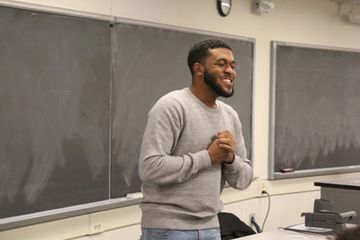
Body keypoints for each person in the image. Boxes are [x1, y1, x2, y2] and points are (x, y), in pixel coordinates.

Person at [138, 39, 253, 240]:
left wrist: (230, 159)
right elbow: (150, 168)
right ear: (198, 69)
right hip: (168, 229)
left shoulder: (230, 115)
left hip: (211, 226)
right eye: (221, 64)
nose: (230, 71)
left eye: (233, 66)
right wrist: (208, 157)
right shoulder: (172, 106)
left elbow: (243, 180)